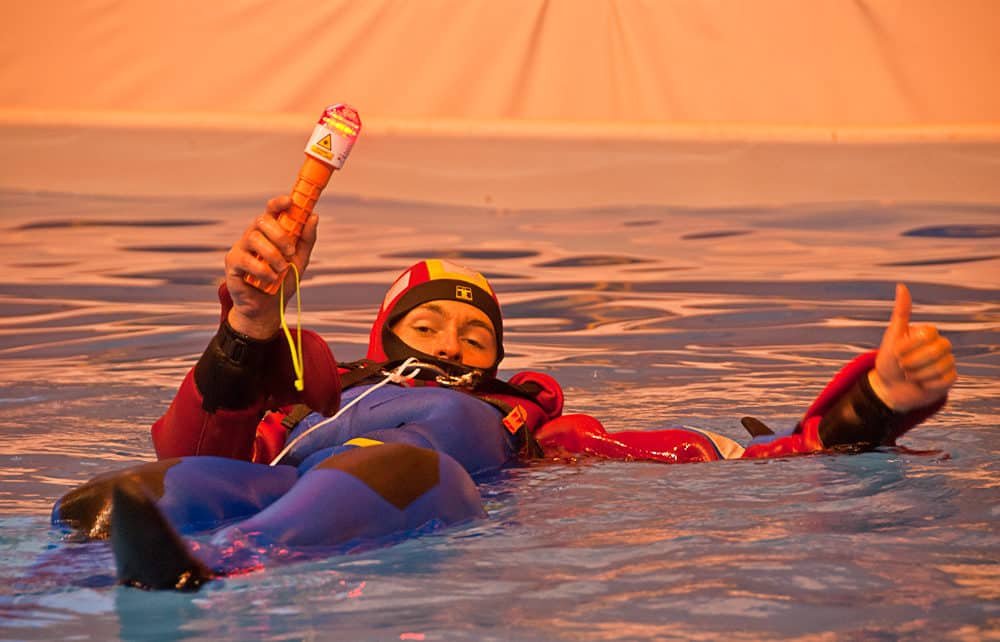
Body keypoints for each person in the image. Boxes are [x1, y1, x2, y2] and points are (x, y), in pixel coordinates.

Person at [52, 195, 958, 590]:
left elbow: (756, 461)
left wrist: (873, 402)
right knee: (130, 493)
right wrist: (249, 322)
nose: (453, 341)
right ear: (384, 341)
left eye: (476, 333)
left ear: (500, 366)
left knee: (410, 453)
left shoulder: (541, 437)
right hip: (281, 481)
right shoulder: (304, 384)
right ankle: (50, 578)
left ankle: (222, 571)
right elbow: (194, 449)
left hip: (415, 487)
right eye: (428, 325)